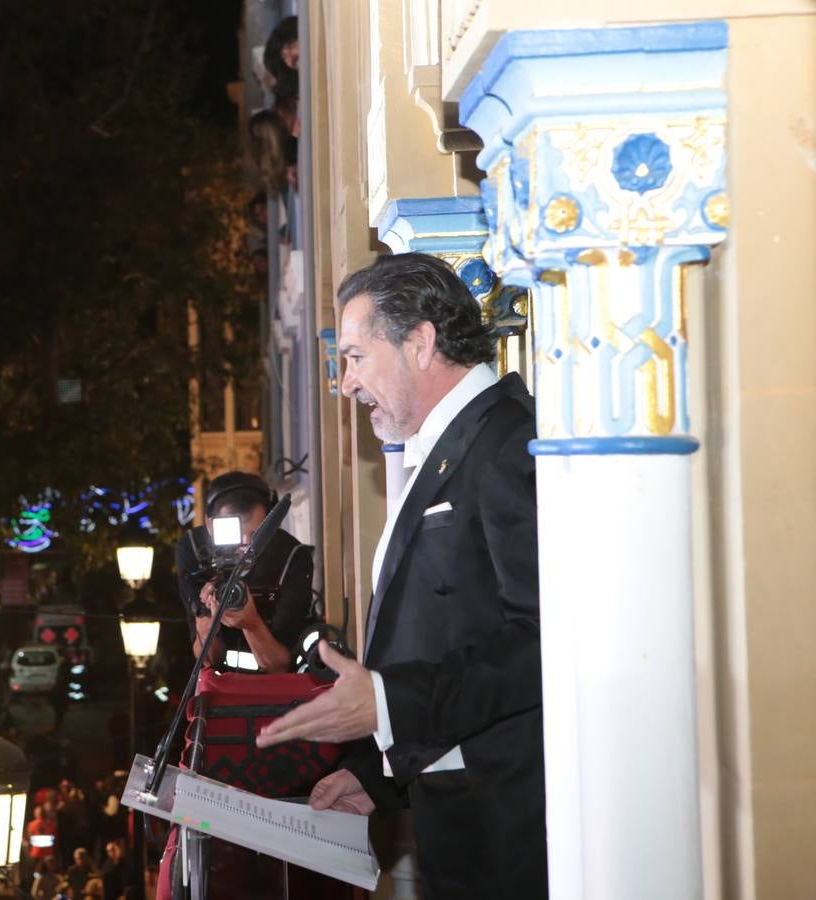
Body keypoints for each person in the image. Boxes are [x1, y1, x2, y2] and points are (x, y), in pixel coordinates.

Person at [256, 253, 546, 898]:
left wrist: (387, 705)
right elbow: (448, 634)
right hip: (454, 804)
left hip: (510, 821)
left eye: (356, 356)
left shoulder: (505, 444)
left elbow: (545, 638)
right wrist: (376, 773)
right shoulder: (451, 448)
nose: (345, 383)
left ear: (420, 342)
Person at [176, 471, 316, 674]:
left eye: (256, 535)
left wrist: (252, 625)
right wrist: (207, 617)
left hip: (280, 687)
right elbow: (207, 659)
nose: (244, 544)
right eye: (233, 532)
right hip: (224, 685)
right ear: (209, 524)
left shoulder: (291, 557)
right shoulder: (193, 550)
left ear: (270, 525)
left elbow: (281, 666)